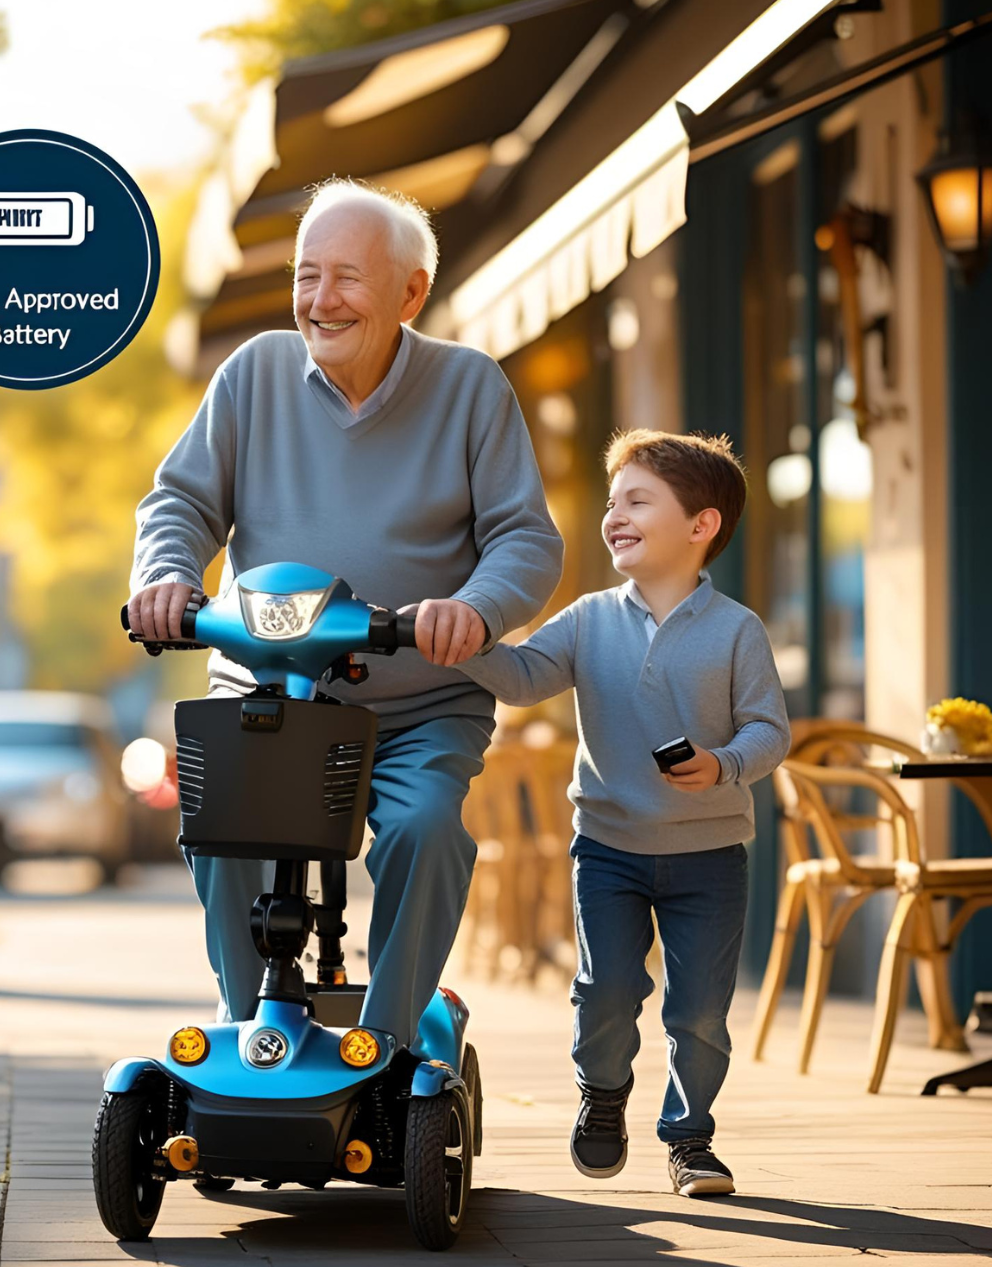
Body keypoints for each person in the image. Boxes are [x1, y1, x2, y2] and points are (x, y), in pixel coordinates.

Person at [127, 178, 563, 1048]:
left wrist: (474, 610)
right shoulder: (252, 375)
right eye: (306, 275)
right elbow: (178, 503)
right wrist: (169, 574)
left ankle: (390, 1040)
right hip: (267, 695)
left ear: (410, 293)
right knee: (221, 825)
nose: (320, 300)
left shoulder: (471, 388)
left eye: (347, 278)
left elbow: (526, 540)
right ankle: (253, 1025)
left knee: (424, 828)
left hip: (419, 702)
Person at [457, 429, 789, 1196]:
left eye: (638, 500)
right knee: (606, 989)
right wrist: (468, 633)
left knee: (700, 1010)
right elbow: (521, 676)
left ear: (701, 526)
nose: (615, 515)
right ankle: (603, 1096)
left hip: (710, 855)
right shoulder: (587, 618)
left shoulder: (738, 630)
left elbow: (769, 730)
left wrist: (723, 765)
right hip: (607, 845)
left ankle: (690, 1139)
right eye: (612, 502)